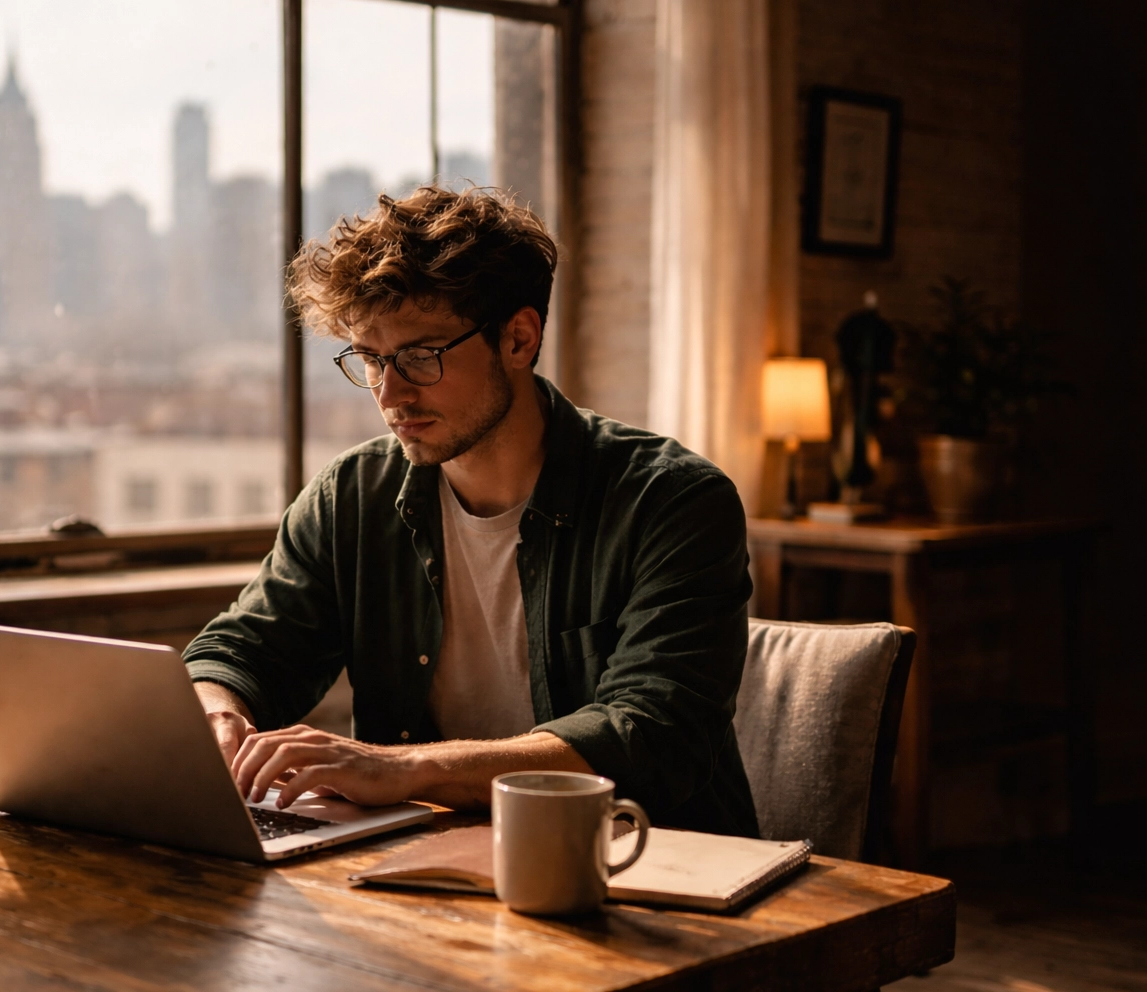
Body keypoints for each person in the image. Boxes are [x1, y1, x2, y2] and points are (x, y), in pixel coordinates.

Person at [184, 186, 758, 835]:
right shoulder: (352, 495)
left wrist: (402, 768)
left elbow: (651, 735)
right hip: (425, 863)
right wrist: (219, 715)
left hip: (646, 862)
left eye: (420, 356)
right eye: (370, 359)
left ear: (518, 339)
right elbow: (244, 651)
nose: (390, 394)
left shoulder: (673, 501)